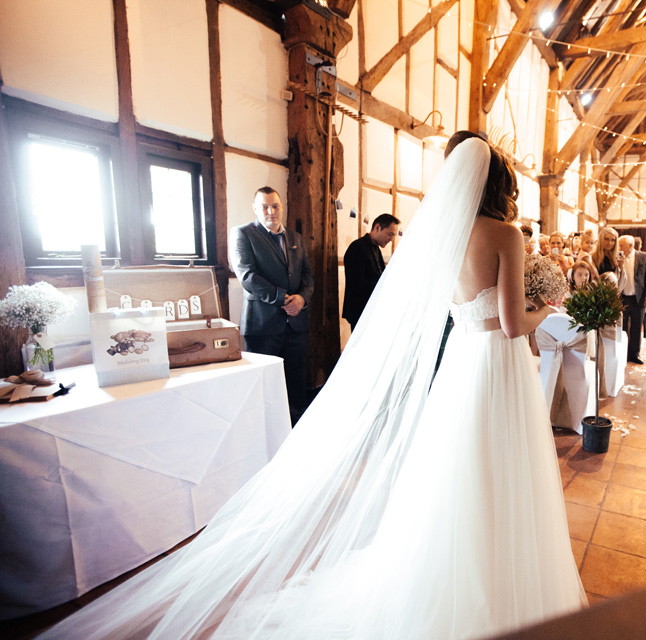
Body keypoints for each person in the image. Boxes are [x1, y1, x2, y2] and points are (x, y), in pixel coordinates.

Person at [42, 137, 586, 639]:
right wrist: (548, 309)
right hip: (498, 365)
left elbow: (461, 311)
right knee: (505, 469)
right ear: (499, 185)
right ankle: (503, 579)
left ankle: (448, 575)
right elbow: (514, 325)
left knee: (459, 472)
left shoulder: (444, 237)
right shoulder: (506, 236)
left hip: (464, 369)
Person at [230, 186, 314, 424]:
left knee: (296, 384)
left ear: (281, 207)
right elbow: (247, 276)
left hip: (296, 324)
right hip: (262, 325)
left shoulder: (295, 238)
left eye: (275, 206)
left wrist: (301, 299)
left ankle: (296, 431)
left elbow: (307, 275)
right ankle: (265, 434)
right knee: (264, 386)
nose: (270, 211)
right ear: (255, 208)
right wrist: (283, 299)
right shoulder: (243, 234)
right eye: (264, 206)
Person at [342, 213, 400, 331]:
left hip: (372, 311)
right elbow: (358, 284)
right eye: (389, 234)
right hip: (361, 311)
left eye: (393, 236)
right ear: (377, 227)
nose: (391, 239)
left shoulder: (375, 248)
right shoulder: (357, 247)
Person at [618, 236, 646, 364]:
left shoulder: (644, 256)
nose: (619, 248)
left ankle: (634, 355)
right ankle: (622, 353)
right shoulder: (617, 257)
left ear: (630, 245)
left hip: (638, 298)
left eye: (621, 245)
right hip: (622, 298)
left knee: (636, 327)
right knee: (621, 328)